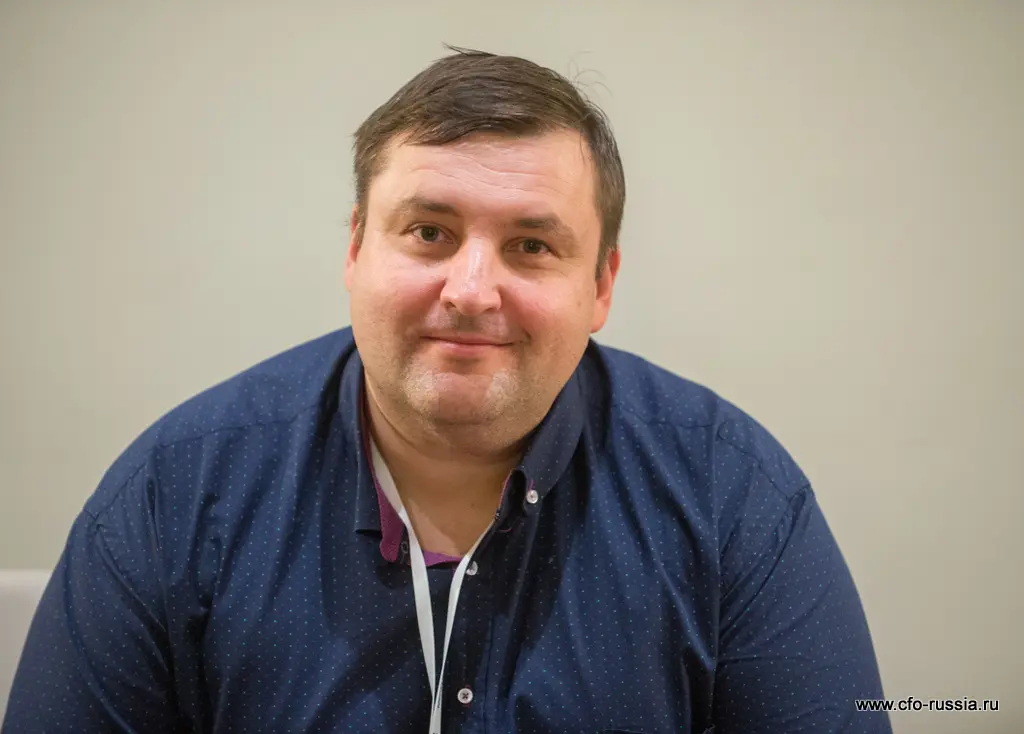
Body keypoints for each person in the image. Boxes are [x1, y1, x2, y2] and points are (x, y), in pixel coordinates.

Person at [3, 47, 891, 734]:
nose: (470, 290)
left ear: (601, 286)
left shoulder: (732, 498)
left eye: (532, 246)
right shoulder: (175, 494)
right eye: (429, 231)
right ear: (357, 248)